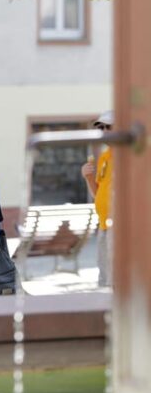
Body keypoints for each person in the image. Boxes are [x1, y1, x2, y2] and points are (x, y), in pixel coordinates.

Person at [81, 110, 113, 287]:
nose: (105, 131)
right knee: (104, 280)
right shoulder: (105, 157)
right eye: (102, 127)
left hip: (118, 226)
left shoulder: (126, 156)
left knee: (114, 280)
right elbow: (97, 194)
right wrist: (88, 178)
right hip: (103, 225)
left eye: (109, 126)